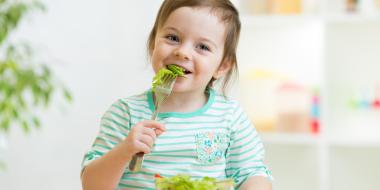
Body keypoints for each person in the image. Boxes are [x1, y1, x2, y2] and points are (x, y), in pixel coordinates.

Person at [81, 0, 273, 189]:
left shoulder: (230, 117)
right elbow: (92, 185)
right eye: (173, 38)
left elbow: (252, 173)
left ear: (222, 66)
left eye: (203, 47)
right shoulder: (125, 113)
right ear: (152, 44)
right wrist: (124, 150)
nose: (183, 52)